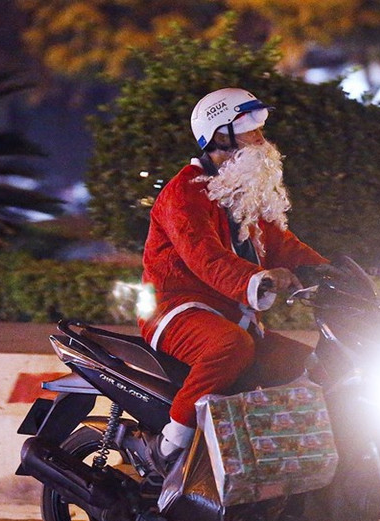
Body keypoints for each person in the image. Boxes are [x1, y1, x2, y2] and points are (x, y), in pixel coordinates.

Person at [139, 87, 328, 474]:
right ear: (218, 137)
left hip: (230, 314)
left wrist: (334, 273)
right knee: (232, 346)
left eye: (260, 128)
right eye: (249, 128)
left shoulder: (241, 192)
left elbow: (281, 244)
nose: (261, 138)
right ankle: (167, 446)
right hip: (176, 310)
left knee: (308, 364)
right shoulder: (184, 192)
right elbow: (206, 257)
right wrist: (260, 279)